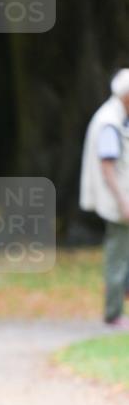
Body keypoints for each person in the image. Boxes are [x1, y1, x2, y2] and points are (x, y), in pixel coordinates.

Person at [79, 68, 129, 328]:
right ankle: (113, 314)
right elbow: (108, 168)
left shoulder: (118, 117)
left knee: (124, 255)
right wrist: (124, 202)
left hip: (121, 201)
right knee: (118, 256)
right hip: (119, 204)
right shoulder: (110, 122)